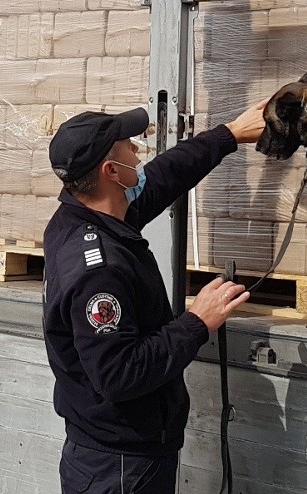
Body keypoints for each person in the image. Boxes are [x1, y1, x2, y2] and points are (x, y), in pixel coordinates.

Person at [42, 101, 266, 493]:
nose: (138, 150)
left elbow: (164, 176)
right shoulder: (100, 272)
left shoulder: (84, 215)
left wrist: (229, 134)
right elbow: (119, 374)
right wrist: (197, 323)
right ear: (110, 172)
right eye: (128, 144)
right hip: (120, 467)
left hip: (115, 454)